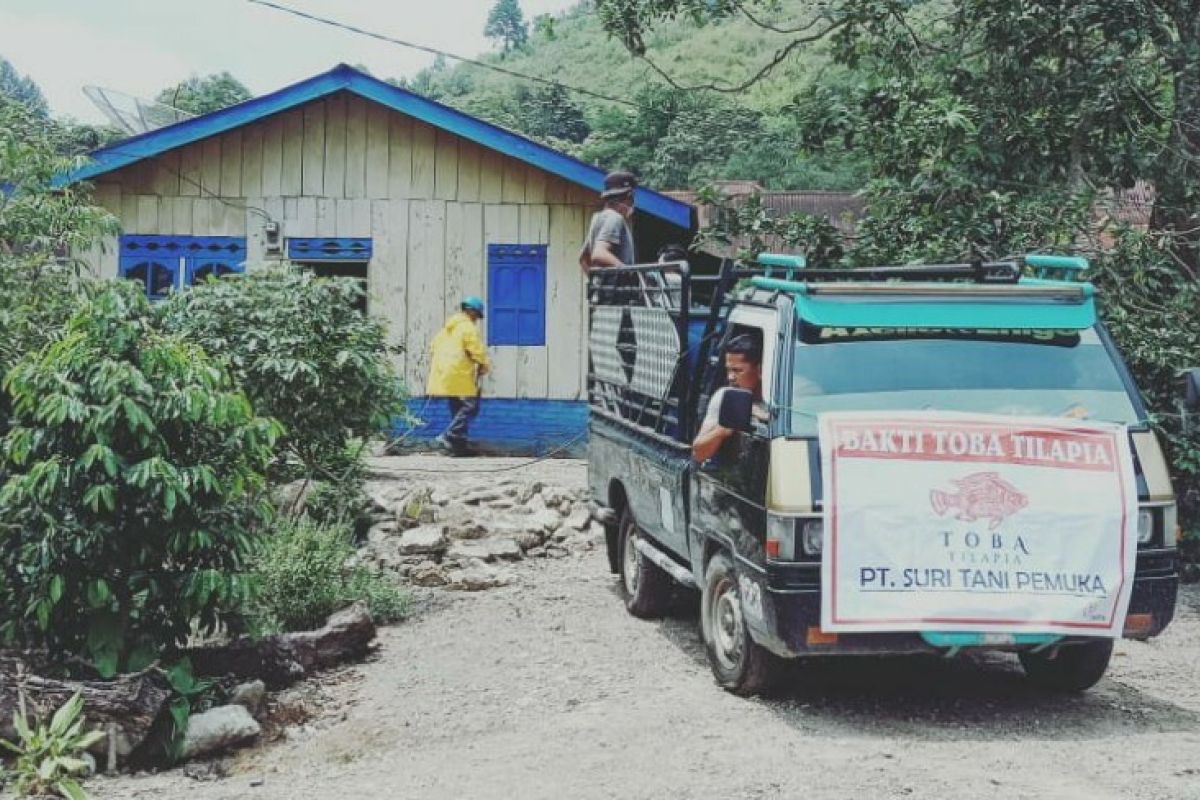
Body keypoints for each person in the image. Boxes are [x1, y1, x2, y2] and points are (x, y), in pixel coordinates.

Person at [427, 297, 492, 457]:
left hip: (443, 372)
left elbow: (433, 346)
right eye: (476, 315)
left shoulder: (446, 329)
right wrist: (484, 364)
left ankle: (458, 448)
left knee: (457, 409)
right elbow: (476, 349)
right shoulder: (467, 327)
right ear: (470, 311)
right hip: (459, 371)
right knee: (470, 407)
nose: (476, 319)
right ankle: (449, 435)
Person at [692, 335, 769, 463]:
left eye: (738, 370)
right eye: (728, 370)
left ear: (760, 369)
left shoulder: (780, 401)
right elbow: (698, 453)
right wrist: (724, 428)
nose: (730, 377)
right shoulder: (726, 397)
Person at [579, 170, 638, 272]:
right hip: (619, 286)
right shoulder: (615, 218)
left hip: (604, 287)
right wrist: (626, 271)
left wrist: (596, 283)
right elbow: (599, 253)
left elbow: (583, 259)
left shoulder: (598, 217)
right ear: (629, 196)